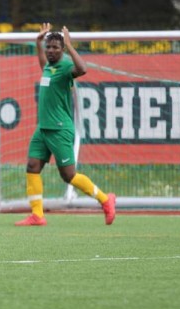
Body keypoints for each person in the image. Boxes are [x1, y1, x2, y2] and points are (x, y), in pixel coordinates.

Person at [15, 23, 116, 227]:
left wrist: (70, 45)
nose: (51, 51)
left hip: (60, 129)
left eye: (55, 47)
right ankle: (37, 215)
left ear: (62, 49)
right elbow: (43, 64)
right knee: (32, 166)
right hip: (43, 128)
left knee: (68, 175)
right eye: (49, 47)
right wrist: (37, 41)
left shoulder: (67, 65)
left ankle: (106, 200)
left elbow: (83, 69)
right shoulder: (49, 67)